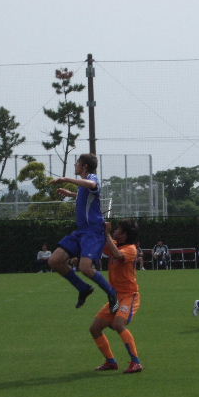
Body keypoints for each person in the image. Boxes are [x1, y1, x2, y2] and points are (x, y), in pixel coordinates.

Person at [47, 153, 119, 313]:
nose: (75, 165)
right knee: (54, 261)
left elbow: (92, 185)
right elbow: (86, 195)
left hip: (93, 231)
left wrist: (66, 179)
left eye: (77, 163)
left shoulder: (92, 178)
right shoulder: (83, 185)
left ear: (84, 166)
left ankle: (112, 293)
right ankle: (83, 288)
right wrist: (71, 194)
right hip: (81, 232)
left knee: (85, 267)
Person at [90, 220, 143, 374]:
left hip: (129, 296)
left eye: (119, 229)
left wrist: (106, 234)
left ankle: (136, 362)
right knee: (95, 329)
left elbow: (117, 255)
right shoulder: (115, 244)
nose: (115, 231)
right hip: (115, 297)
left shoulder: (131, 249)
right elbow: (100, 243)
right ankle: (110, 361)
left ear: (125, 235)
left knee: (118, 324)